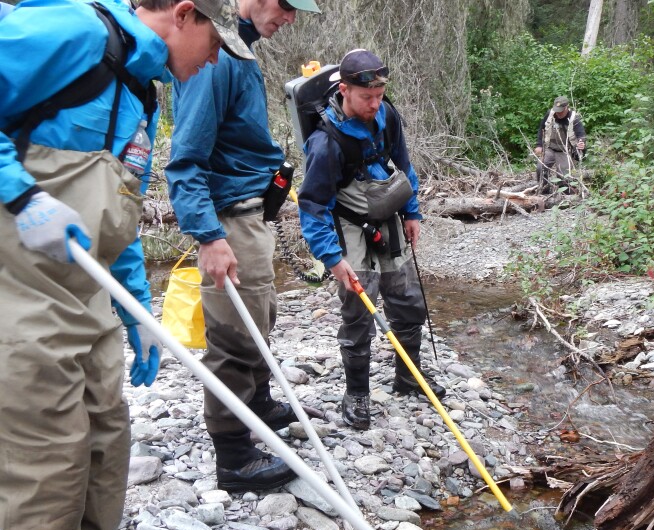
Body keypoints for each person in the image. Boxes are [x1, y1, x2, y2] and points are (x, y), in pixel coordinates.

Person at [0, 0, 249, 530]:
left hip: (87, 299)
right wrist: (21, 196)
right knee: (49, 462)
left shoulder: (142, 91)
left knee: (106, 443)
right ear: (184, 15)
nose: (213, 63)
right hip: (20, 297)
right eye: (214, 46)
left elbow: (121, 208)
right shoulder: (75, 30)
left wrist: (136, 306)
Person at [165, 0, 322, 492]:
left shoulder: (239, 49)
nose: (291, 17)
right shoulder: (214, 58)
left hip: (252, 211)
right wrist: (209, 235)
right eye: (286, 4)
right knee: (236, 332)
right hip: (229, 215)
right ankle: (233, 454)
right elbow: (185, 160)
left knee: (261, 314)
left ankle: (255, 404)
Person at [298, 49, 446, 432]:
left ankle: (409, 378)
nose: (375, 104)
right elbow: (313, 205)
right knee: (360, 313)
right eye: (367, 97)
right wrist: (331, 258)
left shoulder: (386, 114)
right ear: (345, 90)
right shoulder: (325, 142)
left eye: (380, 95)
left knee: (408, 301)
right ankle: (357, 394)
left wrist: (412, 212)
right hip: (350, 230)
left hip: (390, 219)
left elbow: (403, 165)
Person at [534, 95, 586, 193]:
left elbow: (581, 135)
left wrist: (581, 143)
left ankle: (566, 198)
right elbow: (542, 129)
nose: (558, 113)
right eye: (557, 110)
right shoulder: (550, 114)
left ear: (567, 107)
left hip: (565, 150)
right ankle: (544, 193)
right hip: (550, 148)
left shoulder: (574, 118)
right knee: (541, 168)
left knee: (563, 175)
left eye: (561, 110)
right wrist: (539, 145)